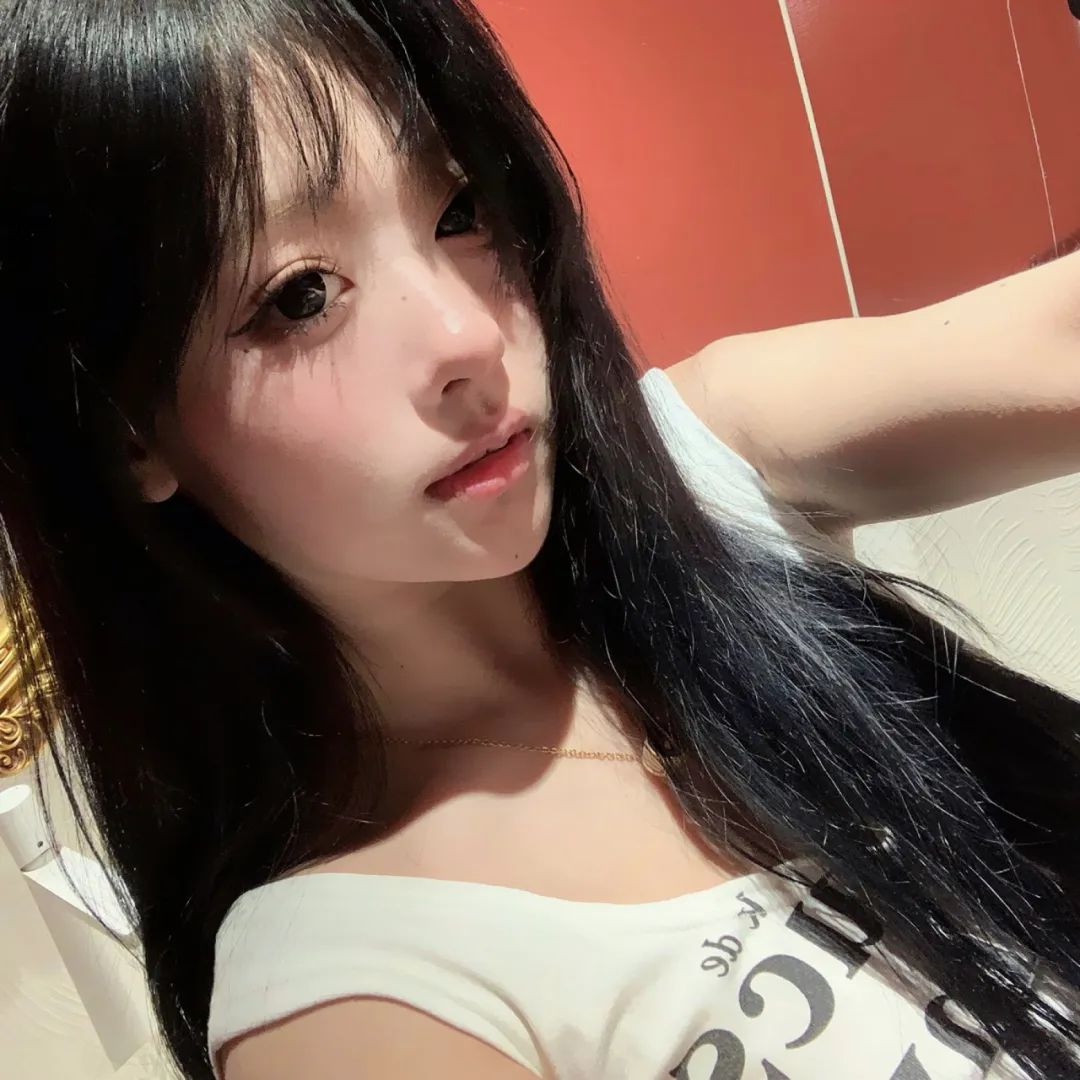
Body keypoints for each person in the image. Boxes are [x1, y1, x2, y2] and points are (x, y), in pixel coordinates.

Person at [1, 1, 1077, 1077]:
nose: (467, 334)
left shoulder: (694, 477)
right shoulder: (360, 1006)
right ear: (128, 432)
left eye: (461, 209)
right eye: (302, 296)